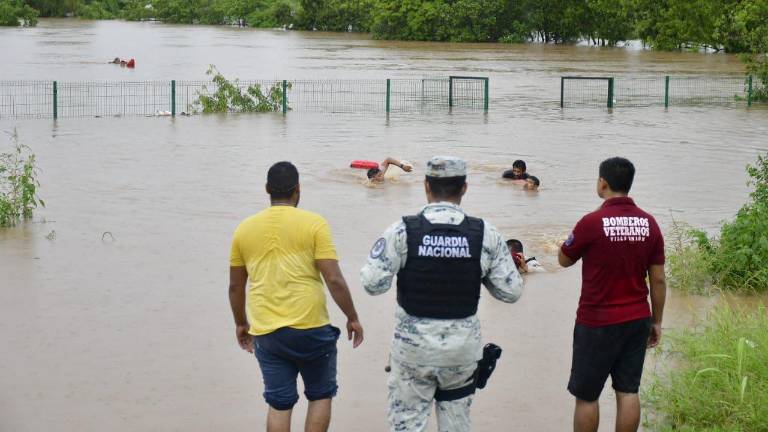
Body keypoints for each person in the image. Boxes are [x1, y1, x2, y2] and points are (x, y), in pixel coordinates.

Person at [361, 156, 524, 432]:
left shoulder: (402, 230)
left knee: (407, 426)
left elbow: (372, 283)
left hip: (412, 354)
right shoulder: (484, 234)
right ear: (465, 188)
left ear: (426, 186)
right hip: (460, 356)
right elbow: (511, 291)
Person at [228, 161, 364, 432]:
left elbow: (235, 287)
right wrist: (352, 317)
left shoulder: (244, 229)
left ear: (267, 189)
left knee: (279, 402)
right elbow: (333, 279)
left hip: (267, 331)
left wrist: (241, 324)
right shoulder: (314, 224)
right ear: (298, 189)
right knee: (320, 394)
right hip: (311, 327)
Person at [558, 157, 666, 432]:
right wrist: (656, 321)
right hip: (637, 318)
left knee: (587, 395)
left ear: (602, 183)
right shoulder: (650, 224)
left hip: (597, 322)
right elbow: (659, 279)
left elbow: (563, 259)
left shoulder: (591, 222)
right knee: (628, 391)